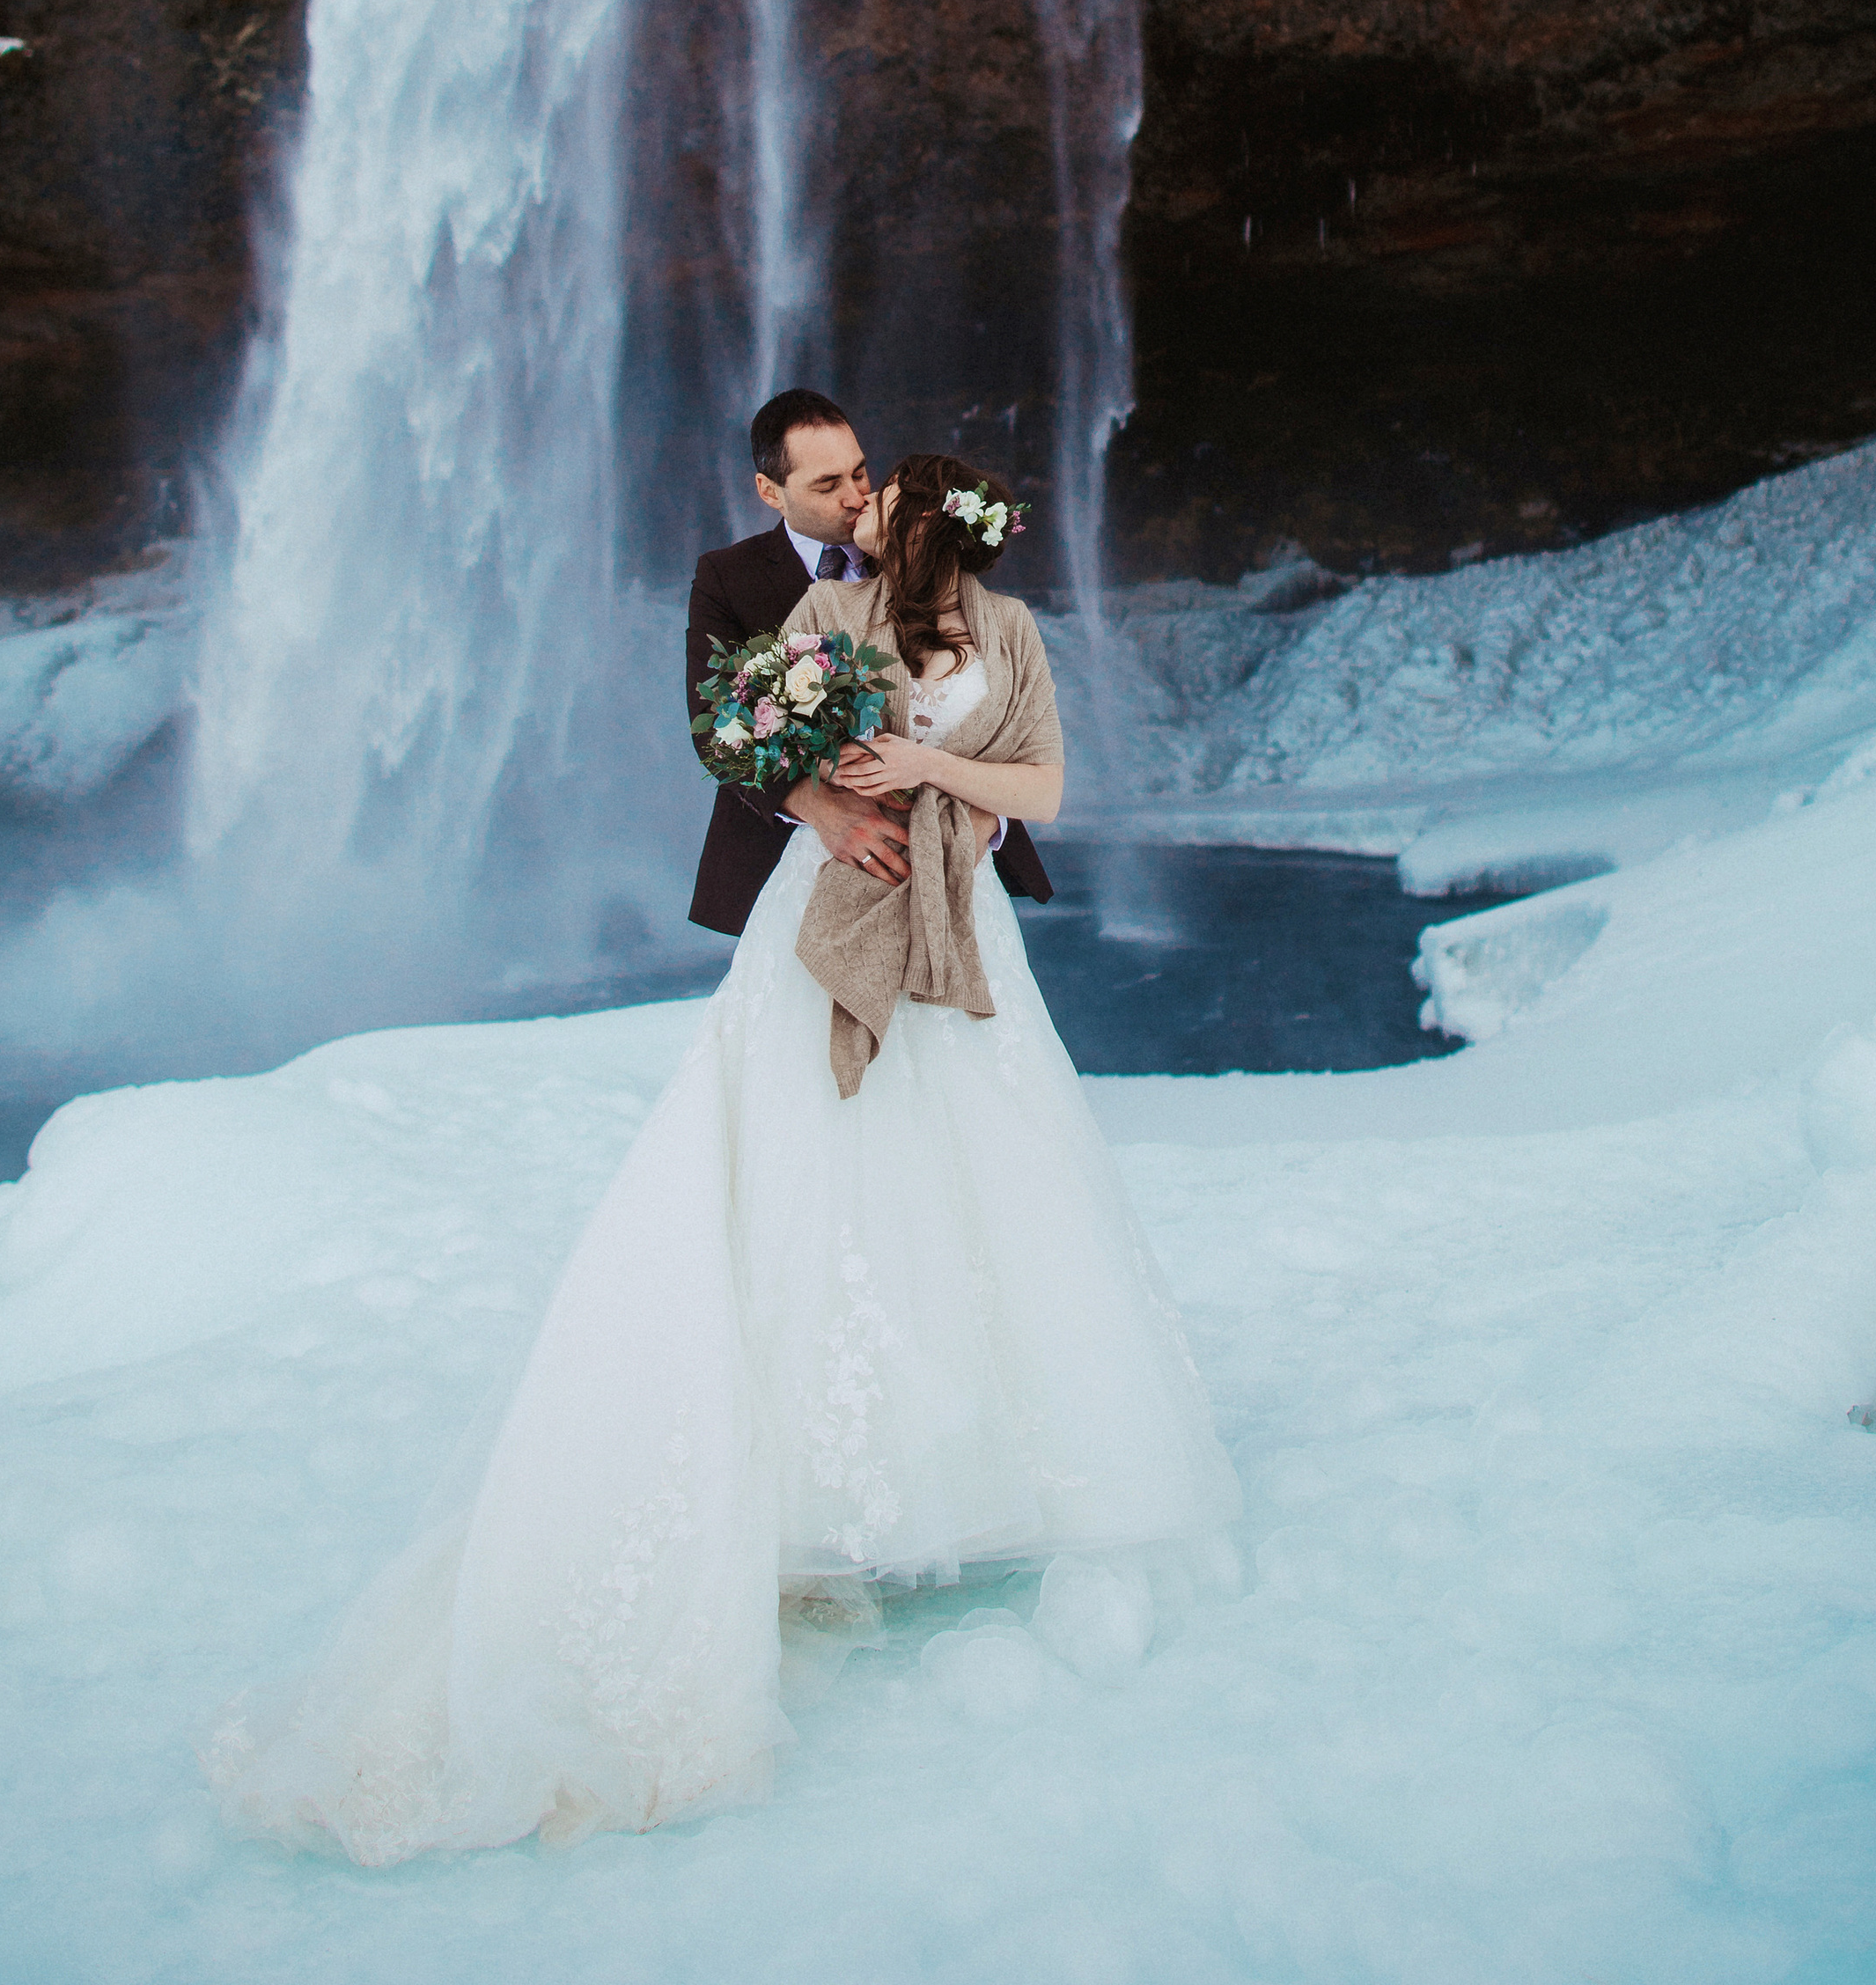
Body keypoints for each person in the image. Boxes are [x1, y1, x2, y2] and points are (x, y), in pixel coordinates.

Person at [206, 450, 1240, 1864]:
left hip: (969, 938)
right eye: (850, 491)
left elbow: (1043, 787)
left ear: (941, 529)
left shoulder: (1009, 630)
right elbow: (750, 743)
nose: (862, 511)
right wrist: (826, 799)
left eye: (882, 499)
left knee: (983, 1184)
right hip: (833, 913)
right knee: (810, 1178)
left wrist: (939, 772)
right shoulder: (820, 621)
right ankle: (807, 1485)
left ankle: (982, 1468)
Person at [684, 387, 1050, 930]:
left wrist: (983, 814)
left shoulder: (924, 546)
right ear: (770, 491)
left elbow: (993, 707)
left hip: (951, 856)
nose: (856, 496)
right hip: (795, 860)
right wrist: (819, 808)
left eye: (859, 473)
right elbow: (718, 728)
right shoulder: (727, 577)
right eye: (827, 485)